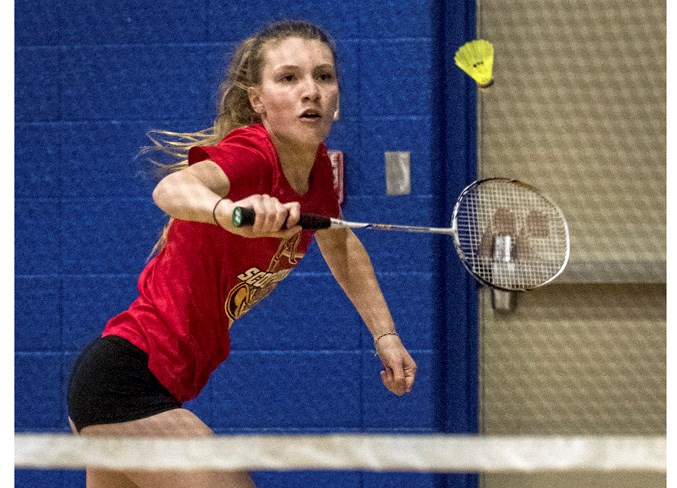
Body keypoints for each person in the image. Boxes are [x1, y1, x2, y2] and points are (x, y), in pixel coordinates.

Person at [67, 19, 417, 488]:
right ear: (258, 100)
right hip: (125, 382)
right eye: (289, 78)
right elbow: (172, 188)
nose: (310, 91)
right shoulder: (251, 154)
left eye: (324, 76)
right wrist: (229, 213)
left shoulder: (314, 172)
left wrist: (386, 336)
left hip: (153, 385)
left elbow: (341, 243)